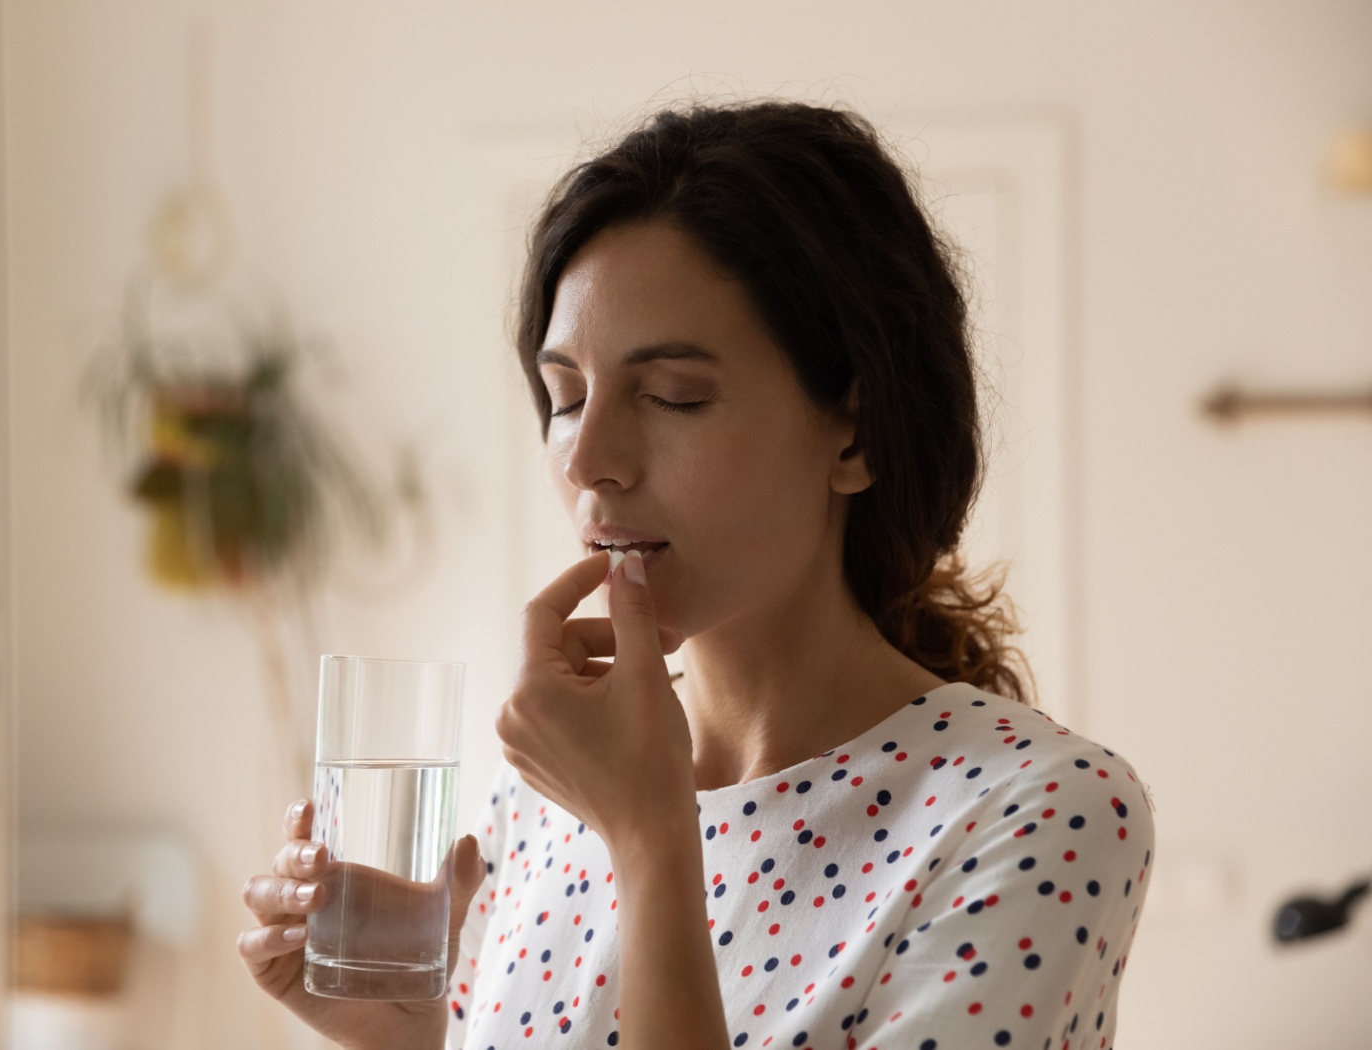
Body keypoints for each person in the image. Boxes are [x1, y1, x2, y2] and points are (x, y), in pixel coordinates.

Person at [237, 99, 1155, 1050]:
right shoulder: (547, 798)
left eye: (672, 396)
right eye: (565, 398)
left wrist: (651, 841)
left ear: (857, 430)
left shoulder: (1040, 812)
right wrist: (408, 1034)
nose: (591, 458)